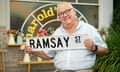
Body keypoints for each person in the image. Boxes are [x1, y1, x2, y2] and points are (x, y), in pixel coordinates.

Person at [23, 2, 108, 72]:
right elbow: (48, 55)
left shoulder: (89, 29)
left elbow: (104, 50)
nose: (64, 15)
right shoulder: (57, 33)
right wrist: (33, 51)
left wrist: (94, 47)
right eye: (61, 13)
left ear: (74, 11)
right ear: (59, 17)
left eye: (67, 11)